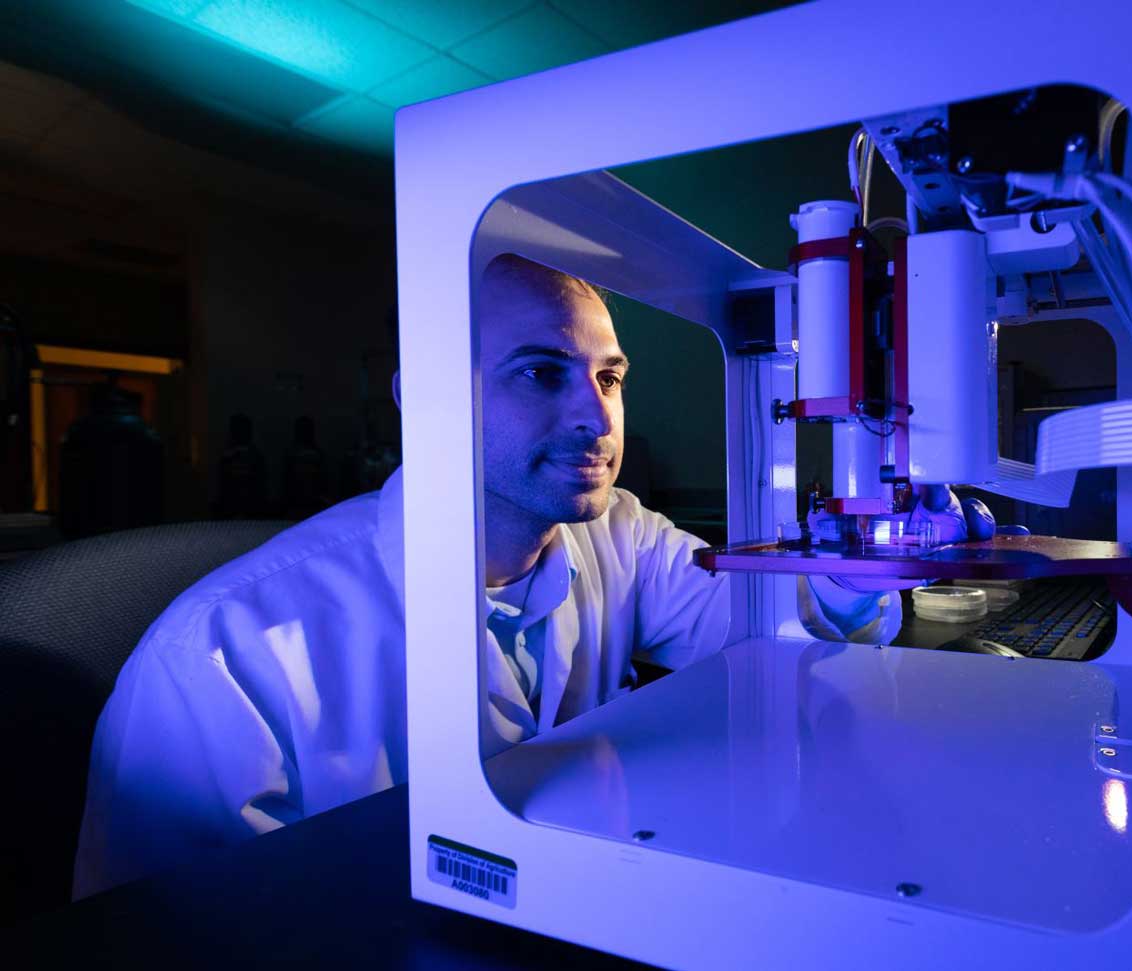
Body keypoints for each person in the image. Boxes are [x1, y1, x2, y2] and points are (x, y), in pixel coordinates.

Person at [72, 255, 985, 898]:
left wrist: (859, 566)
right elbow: (166, 937)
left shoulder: (618, 535)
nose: (598, 416)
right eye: (543, 371)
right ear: (425, 397)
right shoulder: (224, 659)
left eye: (611, 375)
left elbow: (761, 632)